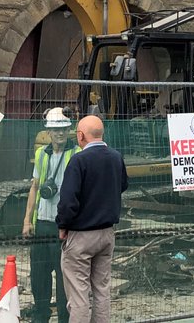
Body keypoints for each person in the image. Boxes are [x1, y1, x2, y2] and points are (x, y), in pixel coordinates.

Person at [56, 115, 127, 323]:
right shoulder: (116, 157)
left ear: (80, 135)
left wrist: (63, 225)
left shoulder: (78, 160)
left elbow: (68, 200)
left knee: (79, 295)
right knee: (102, 291)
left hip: (81, 237)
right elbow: (122, 185)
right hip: (106, 235)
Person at [22, 107, 78, 323]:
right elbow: (35, 187)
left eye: (63, 129)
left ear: (69, 129)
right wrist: (27, 220)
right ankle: (41, 316)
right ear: (49, 132)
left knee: (64, 275)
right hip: (43, 222)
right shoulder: (41, 154)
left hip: (66, 225)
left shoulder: (77, 154)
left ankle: (65, 318)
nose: (60, 133)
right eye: (55, 129)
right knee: (39, 274)